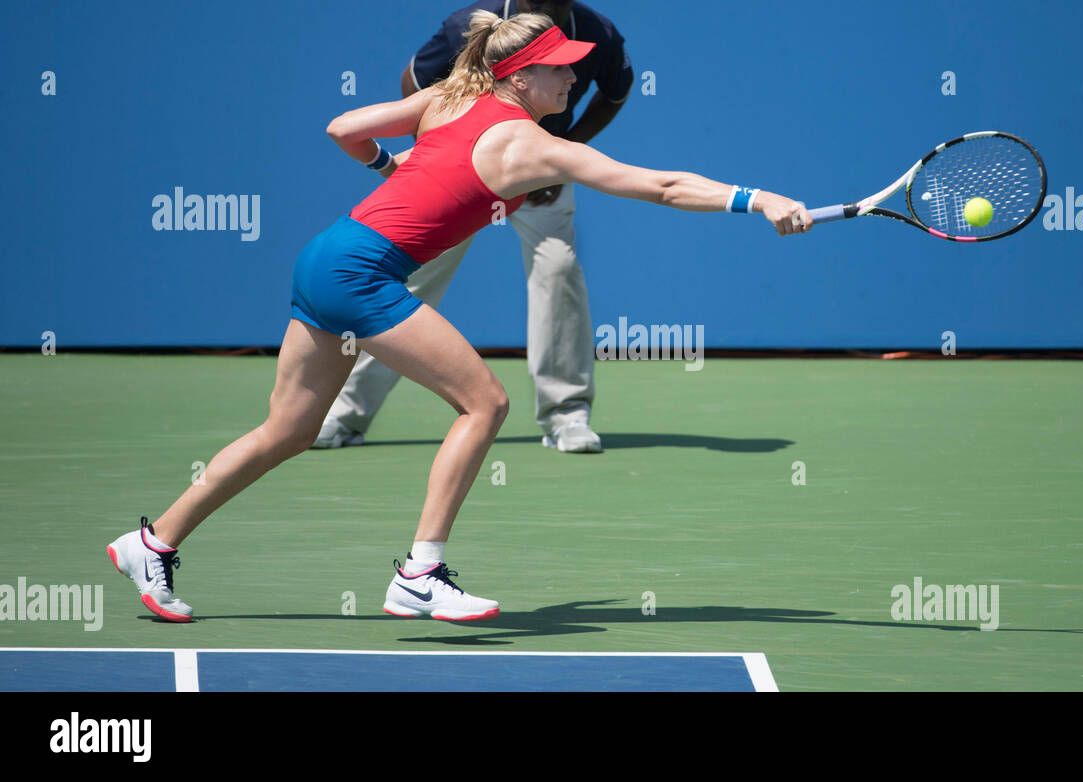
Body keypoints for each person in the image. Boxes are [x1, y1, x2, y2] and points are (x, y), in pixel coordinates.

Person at [106, 11, 813, 624]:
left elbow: (343, 127)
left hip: (323, 258)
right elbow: (659, 185)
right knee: (485, 402)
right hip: (362, 274)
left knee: (286, 432)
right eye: (562, 71)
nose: (575, 82)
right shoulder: (530, 144)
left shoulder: (450, 97)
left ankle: (154, 543)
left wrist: (394, 167)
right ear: (523, 76)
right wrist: (758, 199)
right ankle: (421, 574)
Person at [314, 0, 633, 454]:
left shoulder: (597, 32)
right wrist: (440, 160)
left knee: (558, 273)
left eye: (558, 0)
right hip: (461, 176)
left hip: (539, 174)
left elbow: (616, 91)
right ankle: (348, 414)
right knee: (411, 282)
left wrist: (558, 154)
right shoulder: (465, 24)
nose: (550, 6)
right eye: (538, 0)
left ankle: (566, 415)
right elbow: (415, 83)